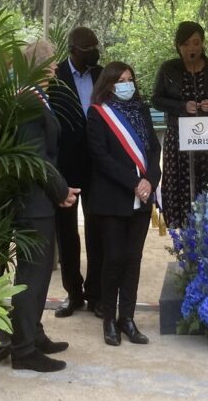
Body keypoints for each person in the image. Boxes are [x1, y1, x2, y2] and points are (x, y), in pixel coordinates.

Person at [8, 39, 81, 372]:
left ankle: (33, 334)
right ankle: (22, 350)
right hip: (33, 201)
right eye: (50, 61)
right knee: (32, 276)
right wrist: (60, 190)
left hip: (39, 199)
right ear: (35, 65)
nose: (55, 67)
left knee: (36, 275)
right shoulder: (27, 99)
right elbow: (33, 157)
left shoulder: (36, 96)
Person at [85, 61, 161, 346]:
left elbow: (154, 148)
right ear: (108, 84)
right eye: (120, 80)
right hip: (112, 199)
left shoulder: (141, 110)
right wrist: (134, 182)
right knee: (113, 258)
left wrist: (150, 180)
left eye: (130, 79)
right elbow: (100, 156)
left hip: (141, 198)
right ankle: (108, 320)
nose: (127, 84)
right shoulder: (97, 114)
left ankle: (127, 318)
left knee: (133, 259)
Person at [152, 21, 208, 228]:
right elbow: (156, 99)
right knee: (180, 186)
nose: (192, 48)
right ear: (178, 46)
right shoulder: (168, 68)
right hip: (179, 136)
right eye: (187, 44)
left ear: (203, 44)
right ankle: (183, 234)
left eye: (197, 43)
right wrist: (182, 106)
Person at [49, 27, 105, 318]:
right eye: (88, 48)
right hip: (66, 165)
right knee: (66, 232)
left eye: (95, 46)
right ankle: (74, 293)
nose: (94, 51)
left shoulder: (101, 74)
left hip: (97, 165)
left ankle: (96, 294)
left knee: (97, 229)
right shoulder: (54, 75)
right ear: (72, 48)